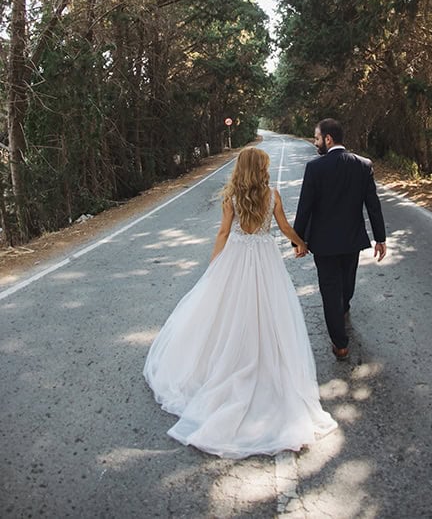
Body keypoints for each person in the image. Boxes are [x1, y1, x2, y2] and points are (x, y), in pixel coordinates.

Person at [144, 147, 337, 459]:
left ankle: (231, 358)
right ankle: (263, 360)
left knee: (228, 313)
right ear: (260, 168)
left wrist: (214, 265)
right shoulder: (272, 195)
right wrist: (301, 243)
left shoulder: (231, 196)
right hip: (265, 259)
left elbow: (222, 232)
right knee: (269, 313)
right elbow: (285, 228)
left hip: (235, 256)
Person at [294, 118, 387, 361]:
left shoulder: (315, 168)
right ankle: (343, 309)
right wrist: (380, 238)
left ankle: (340, 343)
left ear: (328, 139)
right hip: (351, 240)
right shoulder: (363, 165)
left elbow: (305, 208)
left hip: (323, 244)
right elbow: (373, 206)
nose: (315, 143)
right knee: (347, 282)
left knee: (330, 290)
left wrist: (298, 240)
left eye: (316, 138)